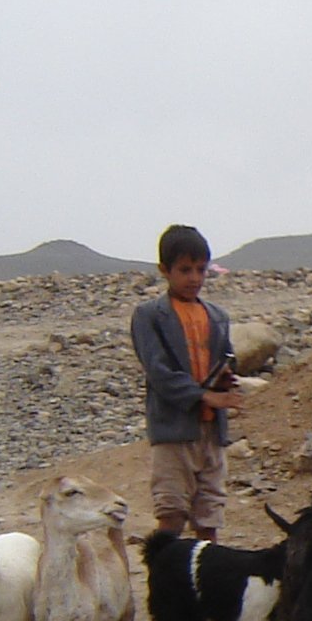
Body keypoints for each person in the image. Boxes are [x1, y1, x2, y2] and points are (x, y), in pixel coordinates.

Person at [130, 225, 244, 540]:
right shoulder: (150, 315)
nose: (194, 278)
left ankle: (202, 584)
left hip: (211, 433)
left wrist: (224, 379)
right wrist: (206, 397)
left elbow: (223, 359)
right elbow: (158, 371)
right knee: (172, 513)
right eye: (185, 270)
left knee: (210, 516)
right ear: (164, 270)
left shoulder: (217, 316)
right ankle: (165, 583)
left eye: (200, 270)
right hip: (174, 431)